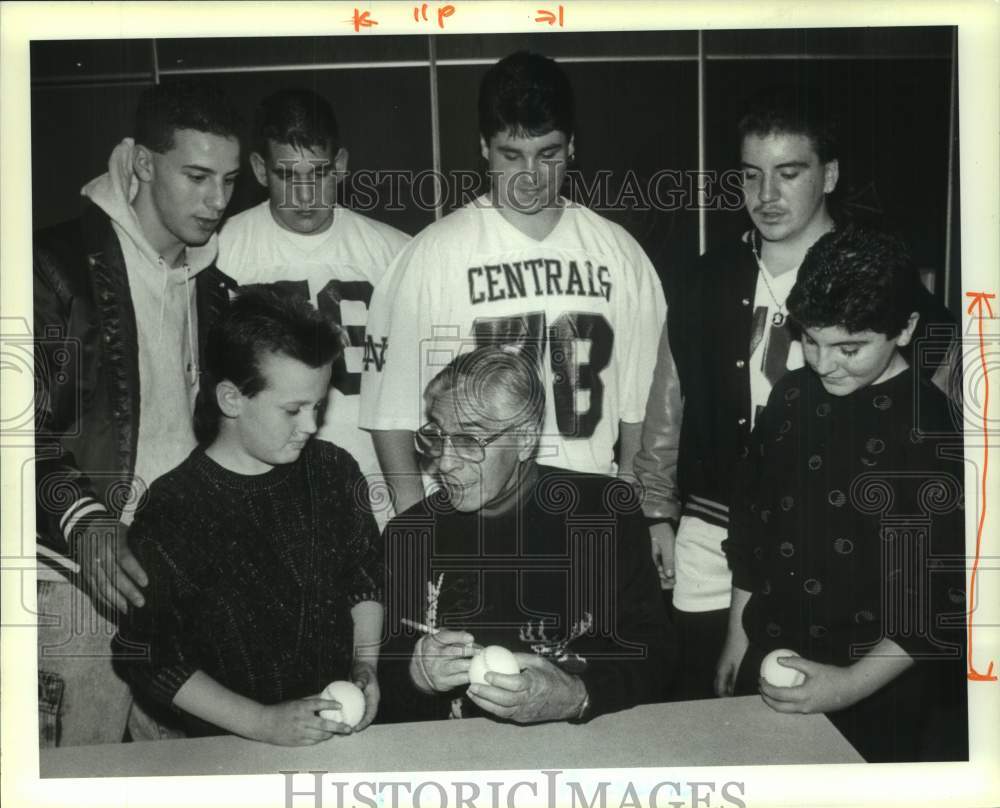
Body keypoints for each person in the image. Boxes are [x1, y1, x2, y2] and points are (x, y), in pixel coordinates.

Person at [633, 86, 958, 701]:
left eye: (788, 173)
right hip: (716, 526)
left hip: (835, 534)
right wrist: (655, 509)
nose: (766, 195)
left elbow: (941, 414)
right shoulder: (707, 275)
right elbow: (666, 402)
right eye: (751, 176)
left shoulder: (876, 278)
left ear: (829, 174)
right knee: (710, 691)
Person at [359, 51, 666, 516]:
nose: (529, 177)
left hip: (588, 503)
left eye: (548, 155)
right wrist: (413, 522)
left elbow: (643, 404)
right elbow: (391, 413)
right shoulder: (432, 255)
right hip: (470, 508)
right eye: (511, 155)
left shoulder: (619, 254)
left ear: (573, 146)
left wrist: (632, 501)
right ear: (484, 146)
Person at [33, 79, 242, 745]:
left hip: (176, 578)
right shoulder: (52, 265)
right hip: (70, 577)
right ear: (144, 164)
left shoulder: (216, 289)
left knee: (192, 778)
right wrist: (86, 520)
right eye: (198, 176)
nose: (217, 201)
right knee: (74, 775)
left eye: (231, 181)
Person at [716, 224, 967, 762]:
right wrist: (738, 637)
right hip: (767, 657)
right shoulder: (790, 396)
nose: (823, 363)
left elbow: (943, 597)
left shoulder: (934, 431)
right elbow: (752, 527)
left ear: (905, 328)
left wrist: (847, 686)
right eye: (810, 339)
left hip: (875, 690)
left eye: (849, 347)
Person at [112, 289, 383, 745]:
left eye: (318, 406)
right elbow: (147, 656)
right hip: (225, 748)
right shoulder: (176, 507)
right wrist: (262, 722)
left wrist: (366, 664)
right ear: (232, 399)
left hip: (338, 735)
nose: (311, 426)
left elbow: (364, 580)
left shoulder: (334, 471)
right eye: (293, 410)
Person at [378, 346, 673, 725]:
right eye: (436, 434)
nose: (444, 462)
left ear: (525, 439)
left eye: (470, 441)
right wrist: (415, 676)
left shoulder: (602, 512)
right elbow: (378, 686)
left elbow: (656, 656)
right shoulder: (409, 535)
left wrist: (579, 696)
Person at [218, 88, 410, 528]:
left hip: (373, 492)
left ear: (340, 165)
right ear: (260, 170)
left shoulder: (395, 254)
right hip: (263, 499)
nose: (305, 196)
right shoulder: (222, 253)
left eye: (319, 173)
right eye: (288, 175)